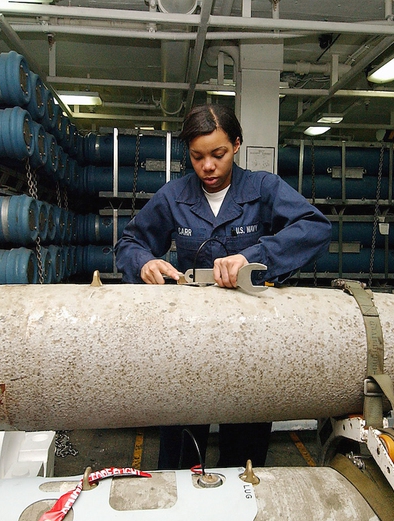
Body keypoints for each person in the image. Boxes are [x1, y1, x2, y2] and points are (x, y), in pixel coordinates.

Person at [115, 104, 331, 469]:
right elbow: (129, 243)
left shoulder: (263, 188)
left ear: (237, 145)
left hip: (252, 343)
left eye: (218, 154)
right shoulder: (173, 196)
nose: (208, 167)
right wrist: (144, 263)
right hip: (189, 342)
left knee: (243, 456)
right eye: (197, 157)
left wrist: (254, 257)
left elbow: (316, 228)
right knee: (180, 454)